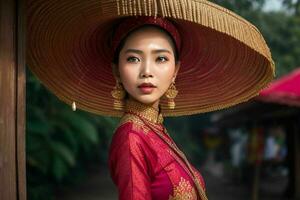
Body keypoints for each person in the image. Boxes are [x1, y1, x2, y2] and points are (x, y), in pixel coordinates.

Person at [27, 0, 275, 199]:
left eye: (161, 59)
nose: (147, 70)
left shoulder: (156, 130)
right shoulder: (131, 136)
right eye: (133, 58)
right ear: (116, 70)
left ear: (176, 70)